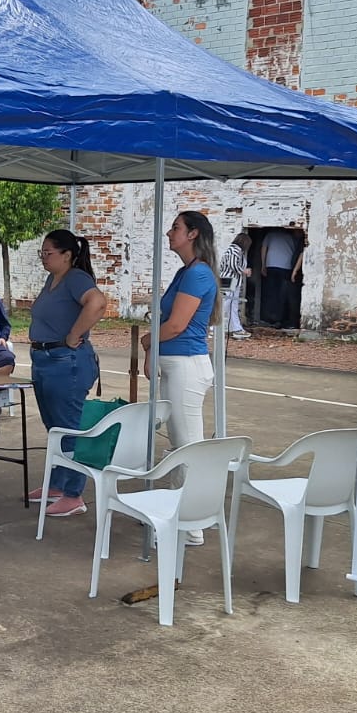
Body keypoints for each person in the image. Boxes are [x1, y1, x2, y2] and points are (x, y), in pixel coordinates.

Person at [143, 211, 220, 545]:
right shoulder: (185, 272)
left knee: (187, 446)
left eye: (175, 227)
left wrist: (147, 342)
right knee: (180, 445)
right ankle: (184, 515)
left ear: (192, 234)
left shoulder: (198, 274)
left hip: (187, 365)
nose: (169, 232)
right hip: (177, 364)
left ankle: (191, 524)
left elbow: (176, 326)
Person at [27, 229, 107, 517]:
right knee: (55, 428)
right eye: (42, 252)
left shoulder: (75, 278)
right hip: (45, 358)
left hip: (66, 360)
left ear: (67, 255)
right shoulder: (53, 279)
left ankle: (74, 493)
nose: (43, 257)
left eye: (48, 252)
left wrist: (75, 334)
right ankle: (58, 484)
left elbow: (97, 303)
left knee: (70, 427)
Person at [260, 226, 298, 328]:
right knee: (283, 294)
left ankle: (270, 318)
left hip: (271, 265)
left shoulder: (270, 235)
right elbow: (296, 251)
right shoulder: (290, 237)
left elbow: (264, 248)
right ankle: (281, 319)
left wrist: (263, 265)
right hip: (286, 267)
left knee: (271, 293)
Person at [219, 231, 253, 341]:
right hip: (230, 281)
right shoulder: (234, 251)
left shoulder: (234, 251)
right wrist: (245, 271)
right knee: (226, 304)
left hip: (233, 282)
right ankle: (213, 327)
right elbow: (233, 266)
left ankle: (236, 328)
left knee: (232, 305)